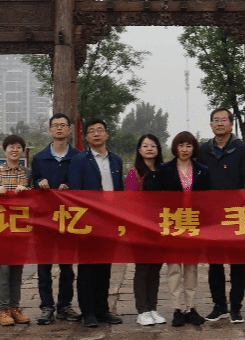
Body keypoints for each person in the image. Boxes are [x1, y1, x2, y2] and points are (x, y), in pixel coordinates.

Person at [196, 108, 245, 323]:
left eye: (223, 120)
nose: (219, 123)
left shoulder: (241, 149)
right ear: (211, 124)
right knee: (215, 264)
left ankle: (236, 307)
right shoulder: (203, 150)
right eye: (215, 120)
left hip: (236, 215)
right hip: (211, 216)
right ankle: (219, 306)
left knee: (237, 263)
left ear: (231, 124)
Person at [67, 118, 124, 327]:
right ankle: (88, 312)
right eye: (92, 131)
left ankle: (102, 309)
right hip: (88, 222)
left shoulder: (116, 160)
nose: (97, 134)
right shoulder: (80, 160)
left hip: (109, 221)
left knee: (104, 268)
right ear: (87, 137)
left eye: (100, 130)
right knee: (87, 269)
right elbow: (75, 193)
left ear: (107, 135)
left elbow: (120, 191)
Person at [151, 131, 211, 327]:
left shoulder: (202, 170)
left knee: (191, 268)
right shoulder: (164, 169)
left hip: (193, 224)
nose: (184, 150)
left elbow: (209, 199)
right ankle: (177, 309)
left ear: (194, 148)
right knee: (174, 268)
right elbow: (157, 198)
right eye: (181, 145)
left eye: (188, 146)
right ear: (175, 147)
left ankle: (191, 308)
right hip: (172, 224)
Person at [31, 113, 83, 325]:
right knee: (43, 266)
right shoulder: (39, 158)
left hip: (68, 219)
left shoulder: (78, 158)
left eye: (63, 125)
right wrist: (39, 182)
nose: (59, 128)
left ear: (70, 130)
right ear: (50, 130)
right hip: (44, 219)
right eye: (55, 125)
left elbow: (82, 186)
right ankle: (46, 307)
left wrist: (70, 187)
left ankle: (64, 306)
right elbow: (33, 182)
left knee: (66, 267)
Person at [0, 134, 33, 327]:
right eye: (11, 147)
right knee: (2, 270)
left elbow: (35, 198)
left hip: (21, 227)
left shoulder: (27, 172)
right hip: (0, 227)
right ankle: (3, 309)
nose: (14, 150)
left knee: (17, 269)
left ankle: (15, 307)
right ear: (4, 150)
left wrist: (27, 191)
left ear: (22, 150)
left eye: (18, 147)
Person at [125, 134, 166, 326]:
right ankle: (142, 310)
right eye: (145, 146)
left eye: (153, 145)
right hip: (140, 228)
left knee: (155, 269)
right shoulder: (134, 174)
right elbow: (128, 202)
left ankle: (152, 308)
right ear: (139, 150)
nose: (149, 149)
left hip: (160, 227)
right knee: (142, 269)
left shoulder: (164, 171)